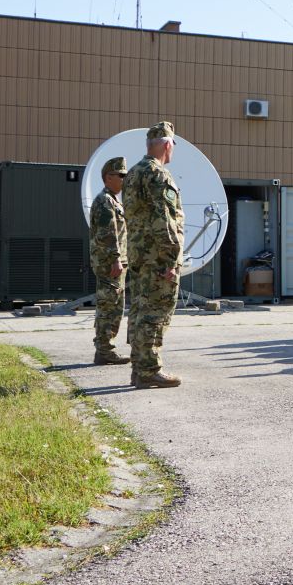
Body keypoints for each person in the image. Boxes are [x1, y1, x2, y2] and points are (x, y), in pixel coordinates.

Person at [121, 121, 186, 388]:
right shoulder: (158, 175)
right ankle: (149, 370)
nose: (172, 152)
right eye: (172, 146)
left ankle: (139, 367)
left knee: (139, 309)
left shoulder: (134, 174)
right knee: (155, 312)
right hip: (157, 257)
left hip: (138, 255)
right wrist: (170, 258)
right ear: (167, 144)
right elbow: (165, 218)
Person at [89, 156, 130, 365]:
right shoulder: (105, 201)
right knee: (108, 307)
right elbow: (109, 233)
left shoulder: (113, 201)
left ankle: (106, 348)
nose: (124, 179)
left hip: (116, 262)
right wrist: (115, 259)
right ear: (108, 178)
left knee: (115, 306)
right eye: (120, 175)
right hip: (109, 264)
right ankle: (104, 350)